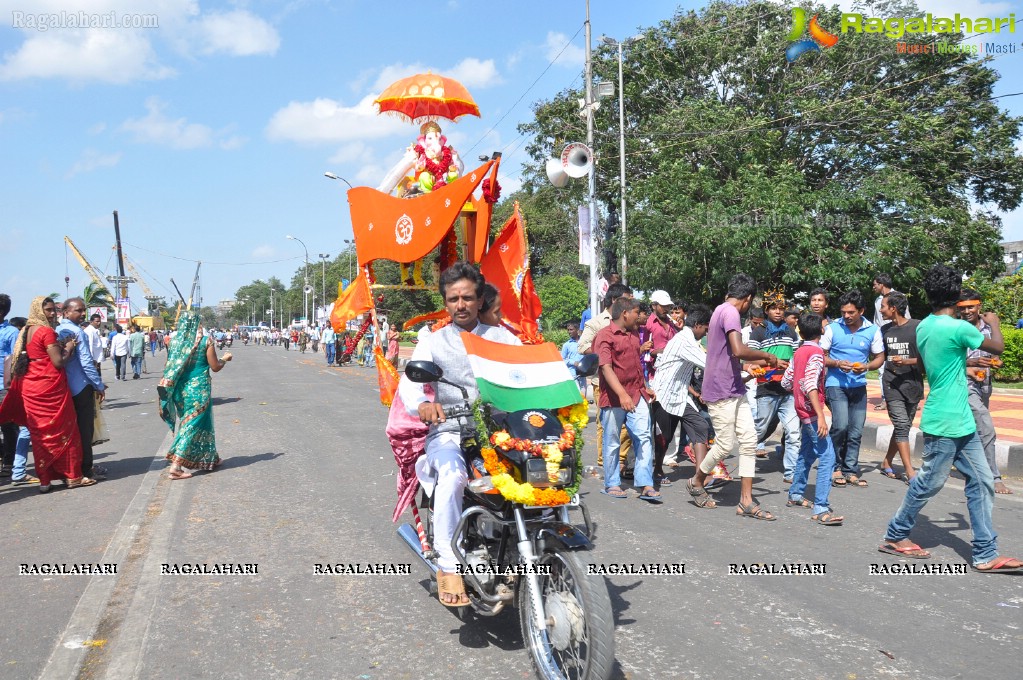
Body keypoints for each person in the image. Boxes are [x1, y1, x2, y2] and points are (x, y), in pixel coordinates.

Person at [880, 264, 1022, 573]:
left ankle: (985, 553)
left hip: (959, 419)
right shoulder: (958, 328)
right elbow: (997, 346)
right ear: (956, 295)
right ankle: (895, 534)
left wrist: (965, 368)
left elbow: (942, 363)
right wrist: (993, 322)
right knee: (929, 482)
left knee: (983, 481)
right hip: (947, 420)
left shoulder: (926, 325)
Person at [399, 262, 520, 607]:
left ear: (480, 300)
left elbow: (530, 368)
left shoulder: (502, 337)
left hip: (501, 433)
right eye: (453, 299)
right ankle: (449, 565)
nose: (461, 305)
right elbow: (411, 386)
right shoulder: (432, 342)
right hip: (449, 431)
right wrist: (424, 405)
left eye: (468, 297)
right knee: (452, 478)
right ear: (446, 303)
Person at [686, 273, 782, 519]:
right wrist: (769, 357)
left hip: (733, 385)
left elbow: (729, 354)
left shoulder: (721, 310)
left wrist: (757, 364)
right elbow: (738, 349)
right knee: (725, 444)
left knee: (749, 442)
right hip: (720, 389)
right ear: (748, 298)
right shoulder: (730, 313)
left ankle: (746, 502)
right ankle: (697, 480)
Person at [0, 297, 96, 492]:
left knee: (39, 436)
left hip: (31, 388)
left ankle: (44, 480)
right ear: (39, 311)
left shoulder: (25, 332)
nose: (53, 314)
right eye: (49, 310)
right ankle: (72, 477)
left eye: (54, 310)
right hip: (50, 387)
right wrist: (69, 346)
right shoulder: (45, 331)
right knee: (67, 431)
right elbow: (59, 362)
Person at [594, 298, 659, 502]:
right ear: (625, 314)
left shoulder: (633, 334)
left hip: (637, 393)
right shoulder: (604, 336)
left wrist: (645, 387)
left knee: (644, 437)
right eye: (637, 312)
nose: (640, 316)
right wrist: (622, 394)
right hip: (613, 398)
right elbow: (606, 368)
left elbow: (635, 364)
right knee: (612, 441)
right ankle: (612, 483)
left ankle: (645, 483)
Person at [781, 312, 843, 525]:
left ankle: (796, 493)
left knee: (806, 452)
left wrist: (797, 395)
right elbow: (810, 385)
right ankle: (821, 508)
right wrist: (821, 415)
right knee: (827, 457)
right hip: (810, 412)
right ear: (822, 330)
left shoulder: (799, 352)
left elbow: (787, 381)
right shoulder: (816, 353)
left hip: (801, 409)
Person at [821, 290, 884, 488]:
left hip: (859, 386)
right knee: (840, 425)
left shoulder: (872, 330)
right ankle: (833, 466)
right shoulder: (832, 328)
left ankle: (850, 469)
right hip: (835, 384)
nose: (846, 316)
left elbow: (880, 357)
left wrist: (866, 367)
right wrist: (838, 363)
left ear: (861, 311)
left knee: (856, 430)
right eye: (843, 312)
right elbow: (821, 356)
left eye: (851, 312)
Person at [158, 312, 232, 479]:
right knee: (191, 425)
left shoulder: (174, 342)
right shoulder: (206, 341)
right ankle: (176, 466)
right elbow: (215, 366)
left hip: (179, 391)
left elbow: (171, 365)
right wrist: (225, 358)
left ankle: (210, 457)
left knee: (197, 422)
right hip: (198, 390)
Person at [650, 304, 713, 494]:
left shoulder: (690, 340)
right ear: (698, 325)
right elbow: (707, 364)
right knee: (664, 438)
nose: (706, 332)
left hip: (680, 395)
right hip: (664, 395)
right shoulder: (684, 341)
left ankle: (700, 477)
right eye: (706, 328)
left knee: (701, 427)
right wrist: (742, 368)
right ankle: (657, 469)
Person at [958, 288, 1011, 495]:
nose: (967, 311)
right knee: (986, 426)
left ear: (979, 305)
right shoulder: (957, 328)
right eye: (962, 307)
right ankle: (994, 477)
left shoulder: (988, 327)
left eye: (971, 306)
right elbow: (947, 360)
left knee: (973, 428)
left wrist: (996, 362)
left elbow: (998, 349)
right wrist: (970, 364)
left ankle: (967, 465)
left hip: (984, 383)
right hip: (964, 383)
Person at [747, 294, 801, 482]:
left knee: (794, 432)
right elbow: (750, 359)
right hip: (767, 388)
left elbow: (796, 358)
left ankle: (791, 473)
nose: (777, 311)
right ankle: (745, 463)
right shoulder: (759, 332)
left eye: (780, 308)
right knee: (760, 429)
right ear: (767, 310)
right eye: (773, 308)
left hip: (788, 390)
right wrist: (773, 363)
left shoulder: (791, 332)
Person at [579, 282, 633, 466]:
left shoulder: (629, 322)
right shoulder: (595, 323)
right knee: (605, 423)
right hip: (601, 380)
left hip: (627, 380)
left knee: (627, 422)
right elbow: (582, 346)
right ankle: (606, 462)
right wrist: (605, 351)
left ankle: (622, 459)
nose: (630, 305)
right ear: (614, 300)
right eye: (627, 300)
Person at [57, 298, 107, 480]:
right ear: (66, 312)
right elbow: (86, 362)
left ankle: (71, 467)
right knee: (85, 431)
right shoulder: (78, 331)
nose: (82, 314)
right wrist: (99, 385)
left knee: (70, 431)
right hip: (81, 387)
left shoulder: (58, 330)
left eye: (83, 310)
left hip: (64, 387)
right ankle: (86, 469)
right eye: (78, 310)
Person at [878, 292, 921, 483]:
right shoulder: (884, 330)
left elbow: (928, 359)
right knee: (902, 425)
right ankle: (910, 471)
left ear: (893, 308)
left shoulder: (917, 327)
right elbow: (879, 356)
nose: (881, 310)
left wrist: (907, 361)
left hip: (913, 384)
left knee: (903, 426)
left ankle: (886, 462)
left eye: (884, 306)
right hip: (891, 383)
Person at [0, 297, 35, 485]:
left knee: (9, 426)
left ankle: (9, 464)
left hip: (4, 387)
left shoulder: (12, 332)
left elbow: (15, 361)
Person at [645, 289, 678, 379]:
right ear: (654, 306)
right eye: (663, 306)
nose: (667, 309)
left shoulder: (671, 323)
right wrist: (662, 351)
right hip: (655, 374)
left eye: (668, 306)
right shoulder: (648, 324)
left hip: (673, 372)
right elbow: (644, 349)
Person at [561, 322, 587, 395]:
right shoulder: (567, 345)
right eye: (568, 330)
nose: (569, 332)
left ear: (577, 330)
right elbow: (562, 359)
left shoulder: (583, 342)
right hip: (572, 373)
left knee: (583, 395)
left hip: (582, 372)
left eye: (571, 329)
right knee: (576, 395)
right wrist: (573, 362)